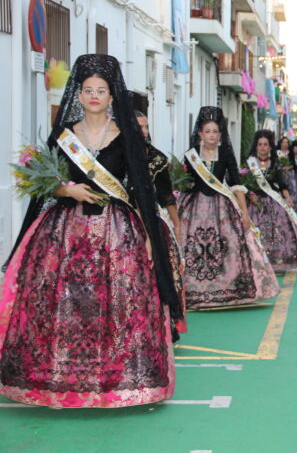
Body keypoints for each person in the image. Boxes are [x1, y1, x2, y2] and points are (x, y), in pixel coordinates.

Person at [0, 54, 181, 407]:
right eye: (87, 90)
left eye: (102, 89)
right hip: (65, 233)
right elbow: (44, 184)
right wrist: (66, 190)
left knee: (118, 305)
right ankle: (57, 379)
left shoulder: (128, 137)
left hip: (117, 234)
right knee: (62, 306)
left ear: (113, 96)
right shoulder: (64, 137)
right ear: (78, 95)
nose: (95, 95)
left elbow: (142, 190)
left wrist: (147, 236)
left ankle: (120, 380)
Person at [178, 107, 279, 310]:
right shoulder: (191, 155)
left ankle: (228, 288)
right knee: (193, 247)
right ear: (200, 134)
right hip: (194, 206)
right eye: (207, 131)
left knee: (229, 244)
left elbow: (235, 182)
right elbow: (185, 181)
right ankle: (194, 290)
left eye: (215, 131)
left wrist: (244, 212)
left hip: (222, 206)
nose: (211, 135)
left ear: (221, 134)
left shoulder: (224, 153)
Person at [135, 110, 187, 336]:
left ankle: (158, 327)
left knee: (157, 273)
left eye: (146, 127)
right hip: (122, 220)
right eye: (139, 127)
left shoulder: (156, 158)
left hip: (152, 223)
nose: (144, 132)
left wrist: (176, 224)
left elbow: (166, 195)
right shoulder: (113, 155)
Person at [245, 130, 297, 272]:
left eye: (265, 145)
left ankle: (276, 262)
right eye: (260, 144)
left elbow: (282, 184)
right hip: (254, 203)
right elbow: (243, 185)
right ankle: (257, 261)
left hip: (272, 201)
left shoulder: (275, 164)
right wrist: (250, 195)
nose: (262, 147)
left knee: (277, 231)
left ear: (270, 147)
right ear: (256, 146)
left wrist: (288, 198)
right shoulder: (249, 164)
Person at [277, 136, 297, 214]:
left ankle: (293, 207)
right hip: (280, 174)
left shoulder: (290, 153)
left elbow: (294, 165)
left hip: (290, 174)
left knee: (292, 190)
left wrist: (288, 167)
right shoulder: (276, 152)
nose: (285, 144)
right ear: (280, 143)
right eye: (283, 142)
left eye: (286, 142)